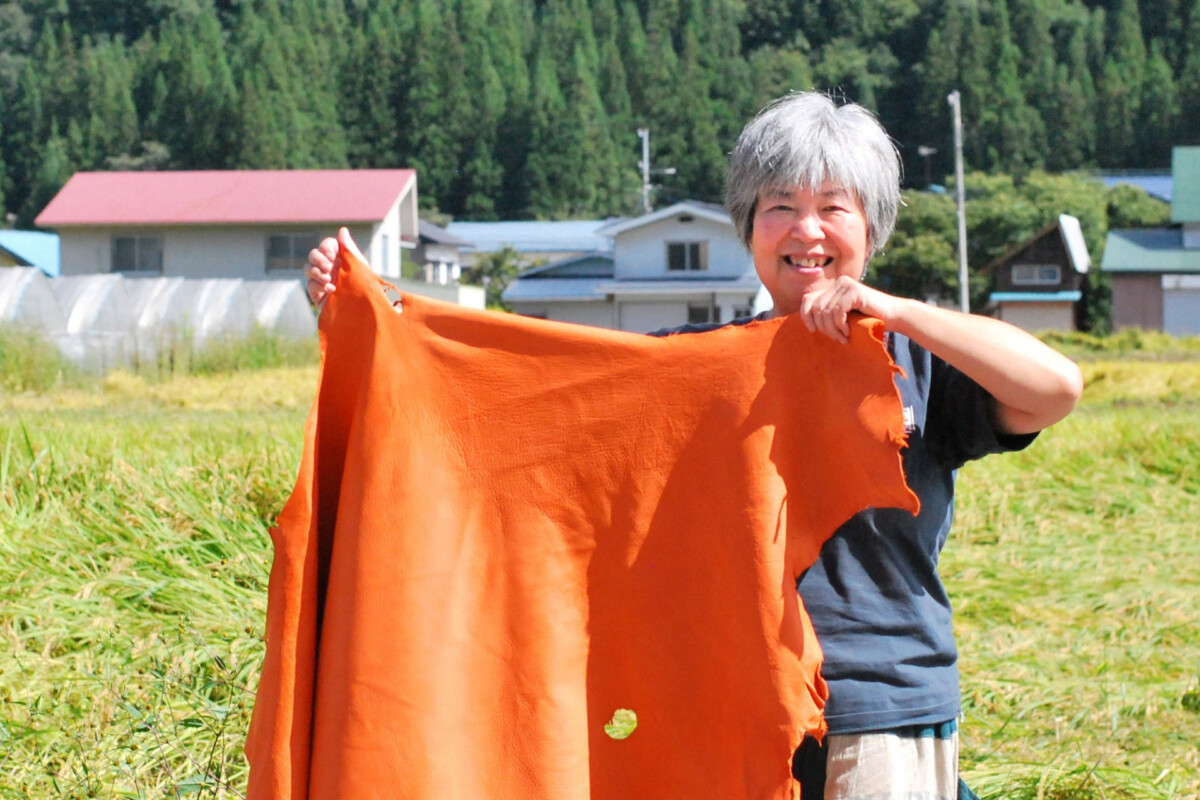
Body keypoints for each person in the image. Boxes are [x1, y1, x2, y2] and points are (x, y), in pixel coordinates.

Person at [305, 92, 1083, 800]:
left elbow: (1054, 387)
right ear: (748, 226)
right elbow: (515, 415)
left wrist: (893, 311)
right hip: (716, 701)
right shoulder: (690, 367)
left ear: (870, 229)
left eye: (833, 208)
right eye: (780, 206)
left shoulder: (914, 363)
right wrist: (376, 327)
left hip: (880, 700)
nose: (806, 231)